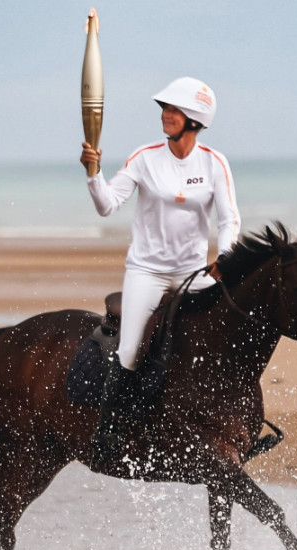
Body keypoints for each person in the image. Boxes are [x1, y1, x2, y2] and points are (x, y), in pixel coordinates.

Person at [80, 76, 241, 468]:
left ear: (195, 119)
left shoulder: (214, 163)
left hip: (194, 274)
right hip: (146, 273)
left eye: (174, 110)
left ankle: (232, 426)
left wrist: (226, 257)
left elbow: (229, 219)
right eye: (165, 108)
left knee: (221, 341)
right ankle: (108, 431)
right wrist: (93, 173)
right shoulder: (145, 157)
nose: (166, 115)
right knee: (132, 351)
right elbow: (106, 206)